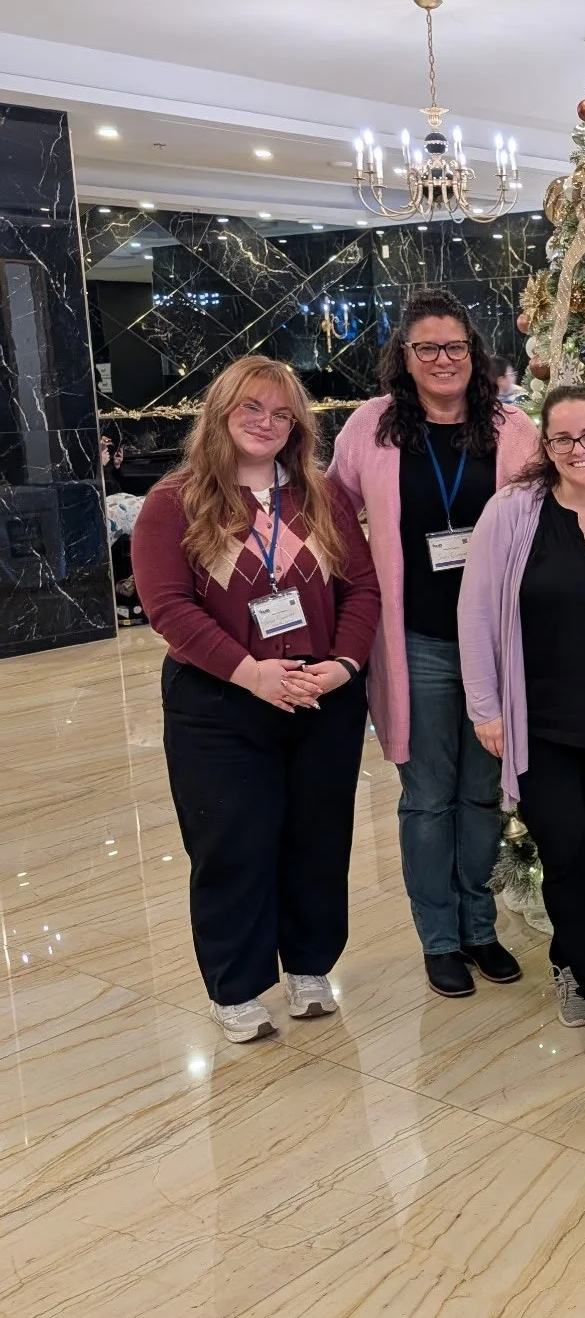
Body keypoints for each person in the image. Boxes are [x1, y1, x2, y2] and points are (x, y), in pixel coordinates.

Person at [131, 356, 381, 1042]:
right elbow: (169, 609)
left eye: (281, 414)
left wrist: (343, 665)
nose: (266, 423)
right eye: (251, 408)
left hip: (320, 696)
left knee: (318, 839)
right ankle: (236, 986)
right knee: (232, 845)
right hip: (221, 704)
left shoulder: (321, 497)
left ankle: (309, 966)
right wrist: (250, 673)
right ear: (220, 412)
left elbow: (362, 589)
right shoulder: (175, 502)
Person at [329, 289, 536, 998]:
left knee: (483, 796)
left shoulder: (511, 429)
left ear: (473, 353)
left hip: (497, 648)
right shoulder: (371, 426)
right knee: (426, 799)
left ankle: (481, 928)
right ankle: (440, 939)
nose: (443, 360)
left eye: (455, 346)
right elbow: (331, 512)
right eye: (427, 348)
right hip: (413, 642)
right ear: (405, 355)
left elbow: (556, 501)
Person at [459, 387, 585, 1061]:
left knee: (576, 849)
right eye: (563, 439)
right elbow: (476, 612)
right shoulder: (511, 513)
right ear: (546, 447)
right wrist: (486, 708)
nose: (579, 449)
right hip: (535, 723)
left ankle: (564, 959)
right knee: (568, 850)